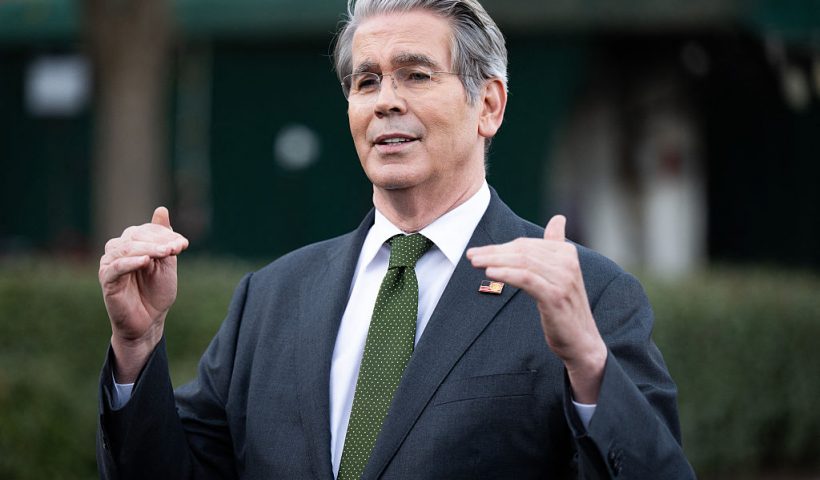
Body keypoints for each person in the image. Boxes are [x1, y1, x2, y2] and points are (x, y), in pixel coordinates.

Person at [96, 0, 695, 478]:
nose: (387, 101)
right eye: (367, 82)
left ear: (488, 104)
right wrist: (137, 345)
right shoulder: (272, 297)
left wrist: (588, 365)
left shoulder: (587, 292)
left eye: (415, 74)